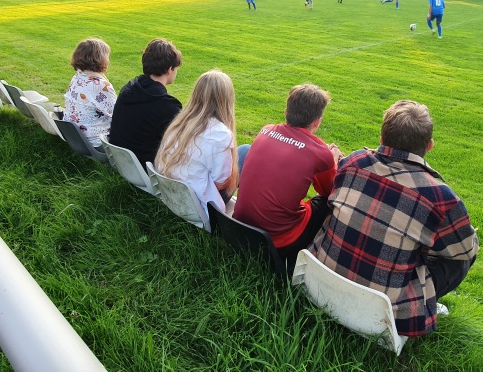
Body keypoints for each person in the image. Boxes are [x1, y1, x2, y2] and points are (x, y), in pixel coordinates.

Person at [310, 100, 479, 338]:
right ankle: (425, 303)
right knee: (458, 259)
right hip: (384, 309)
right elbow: (466, 251)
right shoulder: (439, 197)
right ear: (429, 146)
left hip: (321, 279)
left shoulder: (353, 161)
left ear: (382, 137)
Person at [233, 84, 343, 269]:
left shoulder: (266, 129)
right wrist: (333, 163)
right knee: (328, 203)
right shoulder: (320, 152)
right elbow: (329, 191)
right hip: (280, 240)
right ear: (317, 121)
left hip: (239, 225)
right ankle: (322, 253)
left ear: (286, 112)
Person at [155, 70, 249, 216]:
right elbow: (221, 181)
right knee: (245, 151)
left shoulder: (179, 122)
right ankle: (246, 211)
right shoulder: (221, 135)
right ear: (227, 99)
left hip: (172, 194)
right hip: (200, 206)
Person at [108, 38, 182, 169]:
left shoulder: (130, 88)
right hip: (146, 168)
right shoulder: (167, 106)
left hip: (121, 162)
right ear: (169, 70)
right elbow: (180, 145)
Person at [63, 38, 117, 149]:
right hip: (95, 143)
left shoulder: (78, 77)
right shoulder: (101, 85)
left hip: (75, 137)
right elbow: (118, 114)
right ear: (100, 59)